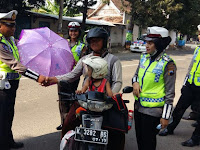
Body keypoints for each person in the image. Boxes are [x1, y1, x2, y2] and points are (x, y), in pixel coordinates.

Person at [44, 27, 124, 150]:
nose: (94, 43)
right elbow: (71, 75)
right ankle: (66, 145)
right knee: (67, 123)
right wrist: (54, 79)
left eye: (97, 40)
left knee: (118, 130)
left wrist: (111, 94)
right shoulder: (85, 60)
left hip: (106, 102)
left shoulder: (113, 60)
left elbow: (117, 81)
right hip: (85, 100)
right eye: (92, 41)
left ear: (104, 41)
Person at [0, 10, 46, 149]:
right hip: (2, 86)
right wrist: (37, 77)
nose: (13, 28)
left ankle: (8, 141)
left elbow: (26, 49)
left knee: (9, 114)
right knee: (2, 117)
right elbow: (15, 65)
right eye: (9, 25)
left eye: (14, 25)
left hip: (13, 84)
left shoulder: (12, 40)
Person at [132, 26, 176, 150]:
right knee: (140, 140)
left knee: (148, 143)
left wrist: (165, 117)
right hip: (139, 107)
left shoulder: (168, 64)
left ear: (159, 44)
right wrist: (135, 83)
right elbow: (135, 76)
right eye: (146, 42)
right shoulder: (144, 57)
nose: (147, 45)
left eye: (150, 43)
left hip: (153, 112)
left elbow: (170, 93)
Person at [159, 46, 200, 147]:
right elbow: (191, 66)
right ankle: (170, 128)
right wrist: (185, 82)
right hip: (191, 84)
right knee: (179, 108)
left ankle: (195, 139)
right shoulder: (198, 49)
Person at [56, 21, 86, 130]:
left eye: (75, 31)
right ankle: (63, 122)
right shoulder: (63, 43)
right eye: (71, 31)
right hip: (62, 75)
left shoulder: (82, 46)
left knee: (70, 99)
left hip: (73, 77)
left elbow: (83, 60)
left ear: (79, 32)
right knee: (62, 100)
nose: (73, 33)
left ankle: (70, 122)